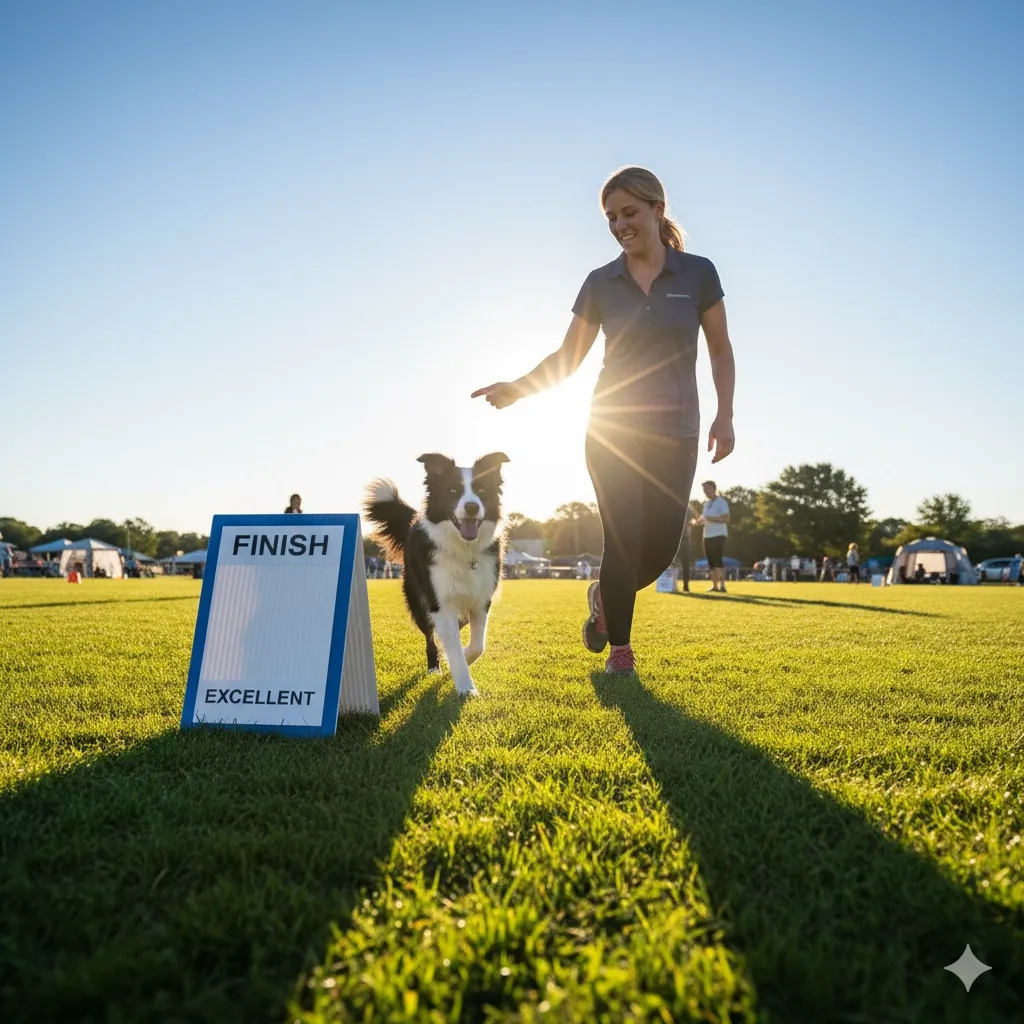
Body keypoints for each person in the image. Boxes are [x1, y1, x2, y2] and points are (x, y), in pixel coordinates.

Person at [472, 166, 735, 673]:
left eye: (629, 213)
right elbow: (568, 356)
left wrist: (725, 415)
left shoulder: (699, 274)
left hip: (678, 429)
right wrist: (518, 389)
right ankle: (620, 650)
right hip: (611, 430)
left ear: (658, 210)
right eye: (611, 217)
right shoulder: (600, 283)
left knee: (660, 549)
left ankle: (603, 597)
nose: (620, 225)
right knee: (623, 537)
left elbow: (721, 350)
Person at [698, 480, 730, 592]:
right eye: (704, 489)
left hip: (718, 535)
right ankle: (715, 586)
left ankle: (722, 586)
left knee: (718, 560)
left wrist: (710, 519)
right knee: (711, 561)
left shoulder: (721, 502)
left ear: (714, 489)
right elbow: (703, 518)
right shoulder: (706, 504)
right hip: (707, 535)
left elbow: (726, 519)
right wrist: (700, 521)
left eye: (707, 489)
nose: (705, 491)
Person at [673, 504, 696, 592]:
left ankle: (685, 584)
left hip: (685, 539)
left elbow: (692, 521)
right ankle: (671, 584)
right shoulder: (674, 507)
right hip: (674, 538)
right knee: (672, 563)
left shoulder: (688, 509)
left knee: (685, 563)